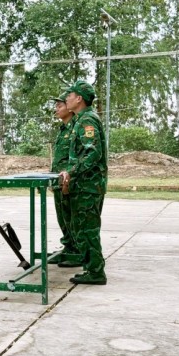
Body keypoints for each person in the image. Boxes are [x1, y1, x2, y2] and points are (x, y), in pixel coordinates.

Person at [59, 80, 108, 286]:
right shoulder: (81, 119)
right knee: (82, 228)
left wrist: (71, 172)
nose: (66, 99)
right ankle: (91, 267)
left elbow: (93, 152)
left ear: (79, 99)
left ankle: (96, 272)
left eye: (69, 95)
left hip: (88, 186)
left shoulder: (87, 120)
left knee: (87, 229)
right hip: (84, 185)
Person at [48, 92, 80, 268]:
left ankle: (76, 251)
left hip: (69, 181)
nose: (56, 109)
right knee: (62, 217)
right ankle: (68, 247)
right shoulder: (63, 129)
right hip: (58, 180)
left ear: (69, 107)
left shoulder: (76, 127)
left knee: (71, 217)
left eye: (59, 106)